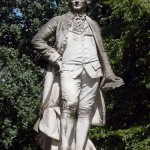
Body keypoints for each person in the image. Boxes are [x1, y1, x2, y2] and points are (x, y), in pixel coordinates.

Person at [31, 0, 124, 149]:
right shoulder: (59, 20)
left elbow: (101, 50)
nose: (76, 1)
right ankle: (65, 146)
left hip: (93, 70)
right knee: (70, 105)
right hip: (68, 67)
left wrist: (109, 72)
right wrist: (56, 58)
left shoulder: (93, 23)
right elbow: (37, 40)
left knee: (85, 111)